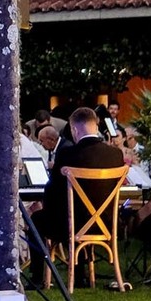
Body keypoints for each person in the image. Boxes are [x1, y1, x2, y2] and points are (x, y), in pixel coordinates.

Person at [38, 106, 124, 247]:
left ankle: (41, 262)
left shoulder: (67, 154)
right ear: (96, 127)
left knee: (37, 219)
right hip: (108, 223)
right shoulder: (116, 154)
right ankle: (83, 259)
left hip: (72, 224)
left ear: (74, 130)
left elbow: (52, 190)